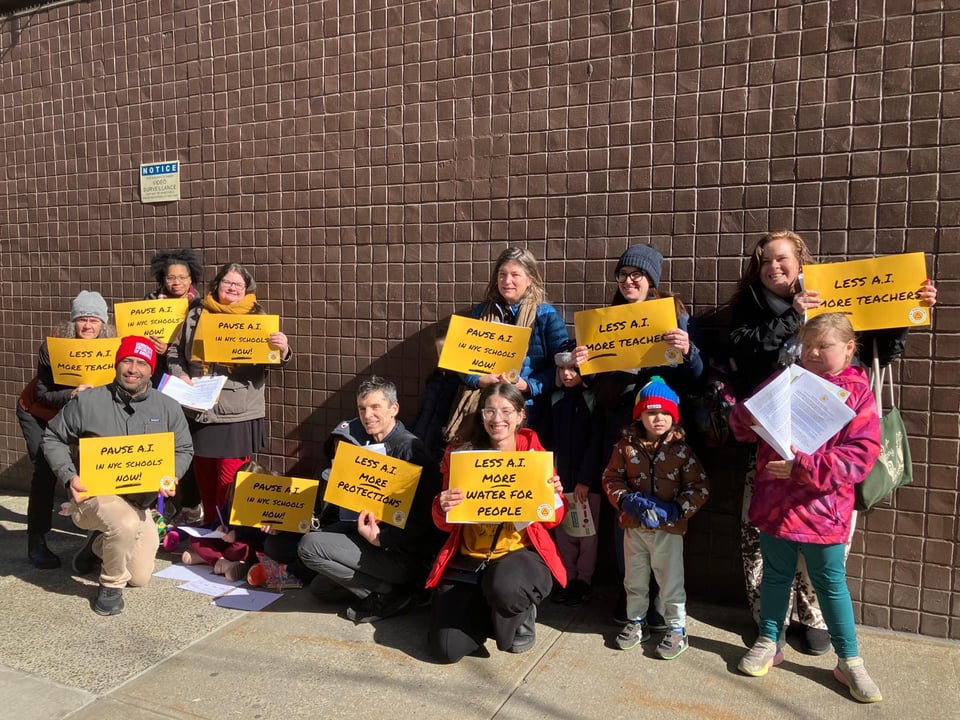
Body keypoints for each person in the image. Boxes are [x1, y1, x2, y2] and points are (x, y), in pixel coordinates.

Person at [728, 230, 938, 653]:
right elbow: (741, 350)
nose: (773, 267)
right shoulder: (749, 303)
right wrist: (792, 317)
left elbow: (879, 345)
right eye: (765, 260)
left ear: (801, 261)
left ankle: (814, 617)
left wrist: (908, 307)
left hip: (830, 444)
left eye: (782, 259)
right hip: (772, 440)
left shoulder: (835, 292)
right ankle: (770, 622)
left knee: (823, 540)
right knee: (764, 536)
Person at [730, 313, 883, 703]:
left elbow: (861, 456)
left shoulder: (858, 392)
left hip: (823, 509)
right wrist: (747, 411)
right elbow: (743, 425)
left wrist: (804, 468)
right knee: (775, 576)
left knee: (831, 584)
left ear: (850, 348)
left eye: (824, 346)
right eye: (808, 345)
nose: (813, 353)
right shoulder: (787, 378)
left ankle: (849, 660)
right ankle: (769, 640)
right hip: (775, 504)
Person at [572, 243, 704, 625]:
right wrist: (587, 367)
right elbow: (597, 386)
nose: (629, 281)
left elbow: (696, 377)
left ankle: (663, 601)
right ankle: (633, 600)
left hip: (663, 434)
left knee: (666, 516)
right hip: (622, 433)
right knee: (625, 516)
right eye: (623, 275)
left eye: (637, 275)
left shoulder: (674, 316)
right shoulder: (605, 321)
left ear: (652, 281)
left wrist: (688, 349)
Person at [41, 336, 194, 615]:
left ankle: (99, 546)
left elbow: (183, 448)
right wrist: (69, 476)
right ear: (117, 363)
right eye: (127, 361)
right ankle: (110, 587)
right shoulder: (88, 402)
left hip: (139, 500)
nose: (133, 368)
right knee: (122, 525)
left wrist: (172, 475)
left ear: (150, 369)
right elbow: (52, 437)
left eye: (141, 363)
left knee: (139, 577)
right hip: (93, 496)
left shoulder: (168, 407)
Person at [427, 382, 568, 663]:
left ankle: (520, 612)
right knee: (445, 649)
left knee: (506, 587)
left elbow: (552, 520)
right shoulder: (462, 455)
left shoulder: (534, 456)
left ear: (520, 415)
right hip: (470, 559)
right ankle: (484, 613)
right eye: (489, 411)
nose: (497, 418)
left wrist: (553, 497)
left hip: (518, 555)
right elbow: (445, 523)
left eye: (505, 411)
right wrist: (442, 505)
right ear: (481, 415)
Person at [297, 376, 445, 622]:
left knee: (310, 547)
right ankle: (385, 590)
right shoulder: (365, 447)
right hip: (371, 536)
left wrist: (382, 539)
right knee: (320, 588)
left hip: (404, 552)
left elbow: (427, 519)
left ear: (394, 409)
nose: (368, 415)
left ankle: (393, 594)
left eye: (376, 407)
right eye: (362, 409)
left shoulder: (411, 450)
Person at [165, 262, 292, 528]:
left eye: (238, 284)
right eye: (227, 282)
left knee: (229, 477)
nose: (232, 288)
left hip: (239, 410)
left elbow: (271, 361)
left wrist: (283, 350)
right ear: (217, 285)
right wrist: (181, 375)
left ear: (246, 289)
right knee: (204, 473)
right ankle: (210, 525)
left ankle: (229, 531)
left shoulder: (258, 318)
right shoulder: (196, 313)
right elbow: (175, 351)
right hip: (199, 405)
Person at [602, 376, 710, 660]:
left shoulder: (682, 451)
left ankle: (677, 628)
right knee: (634, 578)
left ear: (673, 416)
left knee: (670, 581)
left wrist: (677, 509)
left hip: (668, 530)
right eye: (651, 412)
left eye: (664, 413)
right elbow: (611, 477)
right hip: (633, 526)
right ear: (640, 415)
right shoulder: (625, 447)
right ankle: (636, 621)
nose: (658, 418)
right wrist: (626, 500)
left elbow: (699, 487)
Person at [16, 290, 116, 569]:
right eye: (82, 319)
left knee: (98, 468)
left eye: (94, 320)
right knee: (46, 471)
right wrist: (72, 393)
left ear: (103, 324)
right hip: (40, 413)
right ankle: (36, 540)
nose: (87, 326)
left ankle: (98, 536)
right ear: (73, 322)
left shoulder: (111, 349)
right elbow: (43, 392)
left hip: (80, 418)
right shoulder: (54, 347)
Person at [444, 247, 568, 444]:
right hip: (484, 408)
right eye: (502, 275)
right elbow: (460, 360)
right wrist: (478, 380)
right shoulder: (481, 312)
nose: (507, 281)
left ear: (530, 279)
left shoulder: (546, 315)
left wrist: (528, 385)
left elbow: (562, 365)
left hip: (527, 409)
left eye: (515, 275)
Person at [533, 340, 605, 605]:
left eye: (573, 368)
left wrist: (586, 479)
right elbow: (546, 440)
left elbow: (595, 442)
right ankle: (566, 577)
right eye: (562, 369)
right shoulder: (553, 399)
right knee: (563, 531)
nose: (566, 374)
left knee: (587, 535)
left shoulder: (592, 399)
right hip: (559, 481)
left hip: (587, 483)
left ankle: (583, 581)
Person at [145, 248, 205, 524]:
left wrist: (172, 348)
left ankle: (191, 504)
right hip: (156, 381)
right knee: (159, 444)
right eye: (171, 278)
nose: (177, 283)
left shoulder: (201, 306)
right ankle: (162, 503)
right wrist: (151, 346)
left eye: (183, 277)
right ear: (163, 279)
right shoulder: (148, 305)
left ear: (192, 278)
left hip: (186, 383)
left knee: (185, 444)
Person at [180, 460, 267, 582]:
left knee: (239, 549)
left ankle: (207, 558)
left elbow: (260, 535)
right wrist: (219, 527)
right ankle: (223, 563)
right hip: (226, 540)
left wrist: (237, 535)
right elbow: (222, 516)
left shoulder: (265, 503)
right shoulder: (232, 498)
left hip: (247, 543)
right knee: (195, 538)